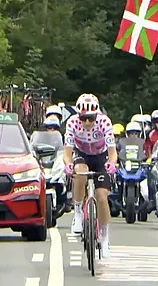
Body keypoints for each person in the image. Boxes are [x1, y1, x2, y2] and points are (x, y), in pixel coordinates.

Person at [63, 93, 117, 257]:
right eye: (83, 118)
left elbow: (112, 152)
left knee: (102, 197)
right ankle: (78, 212)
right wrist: (68, 164)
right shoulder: (72, 123)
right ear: (78, 115)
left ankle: (105, 236)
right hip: (82, 153)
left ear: (96, 115)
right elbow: (67, 152)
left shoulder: (104, 122)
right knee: (79, 172)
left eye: (91, 118)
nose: (87, 122)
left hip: (101, 156)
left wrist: (112, 164)